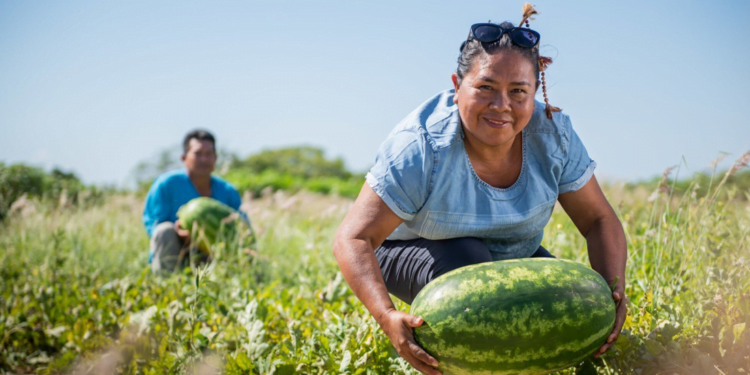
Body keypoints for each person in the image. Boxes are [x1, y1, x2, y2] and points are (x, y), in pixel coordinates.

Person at [332, 6, 627, 375]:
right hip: (407, 251)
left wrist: (613, 295)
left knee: (570, 302)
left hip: (509, 254)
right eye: (485, 87)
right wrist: (386, 315)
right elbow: (353, 238)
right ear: (457, 86)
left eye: (518, 91)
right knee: (469, 259)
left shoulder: (553, 137)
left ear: (534, 93)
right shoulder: (421, 145)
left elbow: (599, 219)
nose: (501, 105)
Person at [143, 129, 243, 273]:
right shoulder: (166, 184)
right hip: (176, 252)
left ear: (215, 158)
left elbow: (241, 226)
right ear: (184, 157)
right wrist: (179, 233)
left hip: (215, 255)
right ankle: (166, 282)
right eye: (198, 154)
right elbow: (153, 224)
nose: (204, 159)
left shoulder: (227, 191)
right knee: (164, 230)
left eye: (209, 154)